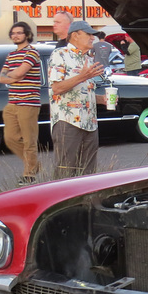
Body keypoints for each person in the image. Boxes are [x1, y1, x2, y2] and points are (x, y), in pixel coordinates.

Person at [48, 19, 106, 177]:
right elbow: (56, 88)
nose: (92, 38)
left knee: (88, 173)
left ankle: (86, 202)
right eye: (88, 34)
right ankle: (64, 202)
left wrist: (102, 99)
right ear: (75, 35)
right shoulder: (60, 54)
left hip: (90, 123)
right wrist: (82, 76)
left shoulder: (88, 58)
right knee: (65, 172)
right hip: (68, 122)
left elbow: (84, 92)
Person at [0, 22, 42, 184]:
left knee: (29, 139)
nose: (15, 35)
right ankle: (34, 164)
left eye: (19, 33)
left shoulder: (31, 53)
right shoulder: (11, 55)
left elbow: (20, 72)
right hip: (12, 102)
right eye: (13, 33)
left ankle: (29, 174)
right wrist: (14, 76)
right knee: (10, 138)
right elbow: (2, 78)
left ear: (27, 35)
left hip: (28, 101)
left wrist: (13, 75)